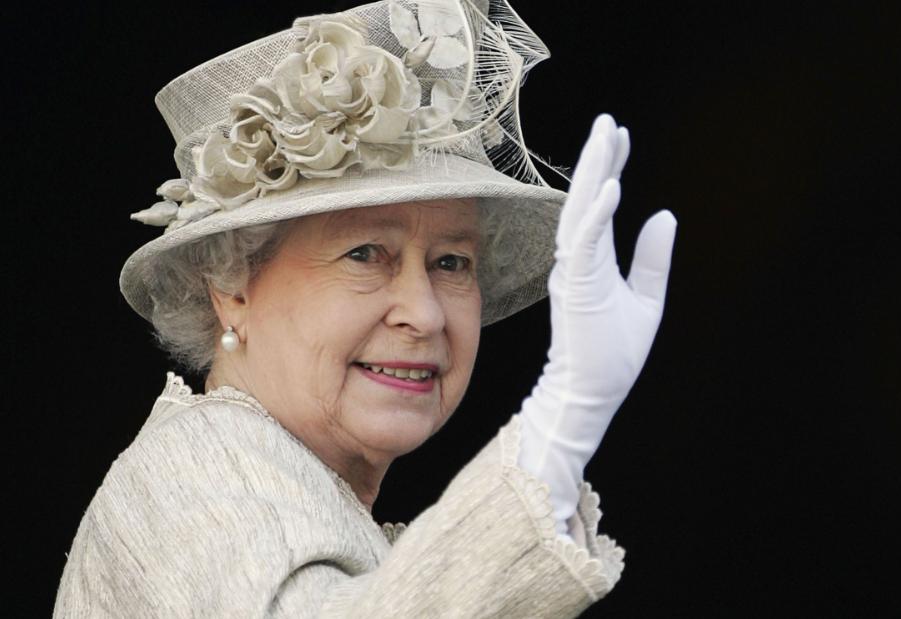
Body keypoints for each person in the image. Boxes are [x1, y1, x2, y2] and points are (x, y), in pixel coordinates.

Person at [53, 0, 676, 616]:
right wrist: (563, 422)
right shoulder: (198, 477)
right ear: (233, 287)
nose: (425, 315)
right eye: (365, 254)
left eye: (451, 262)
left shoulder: (295, 489)